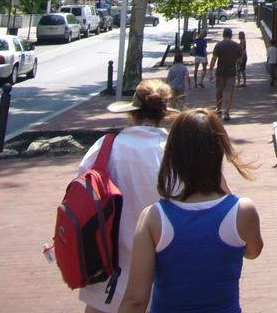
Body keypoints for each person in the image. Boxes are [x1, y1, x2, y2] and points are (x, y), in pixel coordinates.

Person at [117, 108, 263, 313]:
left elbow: (136, 300)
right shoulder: (243, 211)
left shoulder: (153, 217)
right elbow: (252, 252)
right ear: (219, 152)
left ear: (173, 155)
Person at [77, 79, 176, 313]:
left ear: (132, 113)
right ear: (165, 113)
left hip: (105, 268)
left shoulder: (105, 146)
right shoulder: (175, 150)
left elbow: (80, 194)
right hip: (162, 273)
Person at [209, 27, 242, 120]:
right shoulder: (235, 45)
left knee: (219, 91)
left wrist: (210, 70)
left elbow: (214, 58)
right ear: (231, 35)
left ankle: (219, 110)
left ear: (223, 34)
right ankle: (226, 112)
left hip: (220, 71)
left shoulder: (219, 45)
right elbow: (240, 57)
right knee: (229, 92)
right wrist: (236, 63)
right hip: (231, 71)